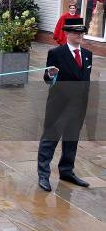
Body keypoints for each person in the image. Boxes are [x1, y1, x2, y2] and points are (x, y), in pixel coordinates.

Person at [39, 17, 92, 192]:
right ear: (67, 33)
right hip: (59, 106)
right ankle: (43, 175)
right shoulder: (56, 53)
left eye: (82, 32)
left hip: (78, 107)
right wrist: (51, 74)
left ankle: (67, 171)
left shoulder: (87, 54)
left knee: (71, 141)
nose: (80, 35)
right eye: (76, 32)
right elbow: (48, 79)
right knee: (50, 140)